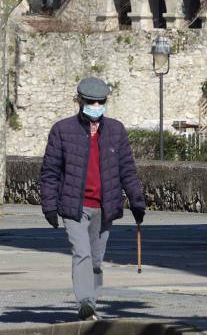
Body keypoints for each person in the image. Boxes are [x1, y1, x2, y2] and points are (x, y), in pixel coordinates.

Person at [40, 77, 146, 321]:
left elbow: (126, 169)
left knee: (96, 261)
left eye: (101, 101)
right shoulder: (62, 130)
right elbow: (50, 171)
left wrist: (137, 201)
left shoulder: (116, 130)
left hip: (104, 206)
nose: (96, 105)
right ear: (80, 101)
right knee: (82, 254)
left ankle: (92, 306)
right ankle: (85, 302)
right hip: (74, 207)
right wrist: (49, 206)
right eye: (91, 101)